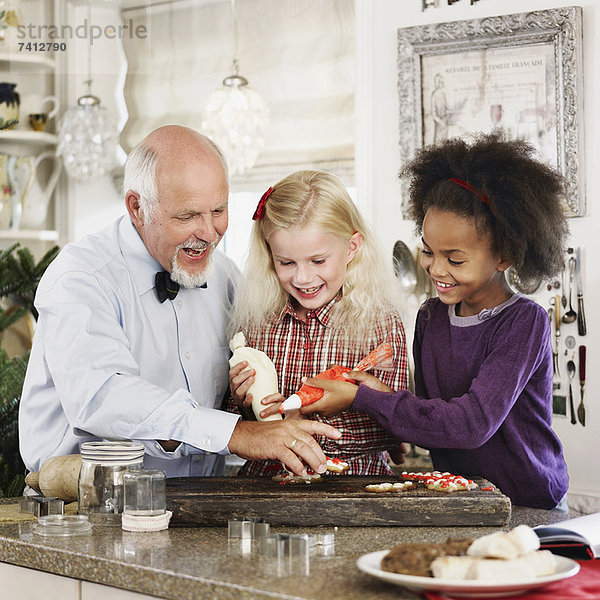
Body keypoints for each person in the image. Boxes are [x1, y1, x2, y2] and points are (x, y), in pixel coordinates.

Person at [19, 126, 340, 479]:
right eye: (187, 216)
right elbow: (104, 396)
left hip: (201, 511)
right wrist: (235, 433)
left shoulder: (226, 277)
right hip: (84, 510)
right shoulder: (81, 277)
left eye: (219, 210)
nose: (209, 232)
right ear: (137, 207)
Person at [300, 133, 570, 509]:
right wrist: (382, 395)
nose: (436, 269)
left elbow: (470, 425)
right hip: (461, 497)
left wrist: (364, 399)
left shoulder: (524, 323)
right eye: (427, 251)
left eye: (454, 259)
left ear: (504, 255)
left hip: (528, 500)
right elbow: (431, 426)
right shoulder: (430, 317)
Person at [227, 170, 409, 477]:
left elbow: (395, 429)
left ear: (352, 248)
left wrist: (302, 427)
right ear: (270, 256)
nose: (303, 278)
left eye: (318, 261)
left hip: (355, 490)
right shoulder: (256, 320)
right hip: (267, 486)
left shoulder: (380, 322)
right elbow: (233, 429)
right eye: (287, 262)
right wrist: (243, 401)